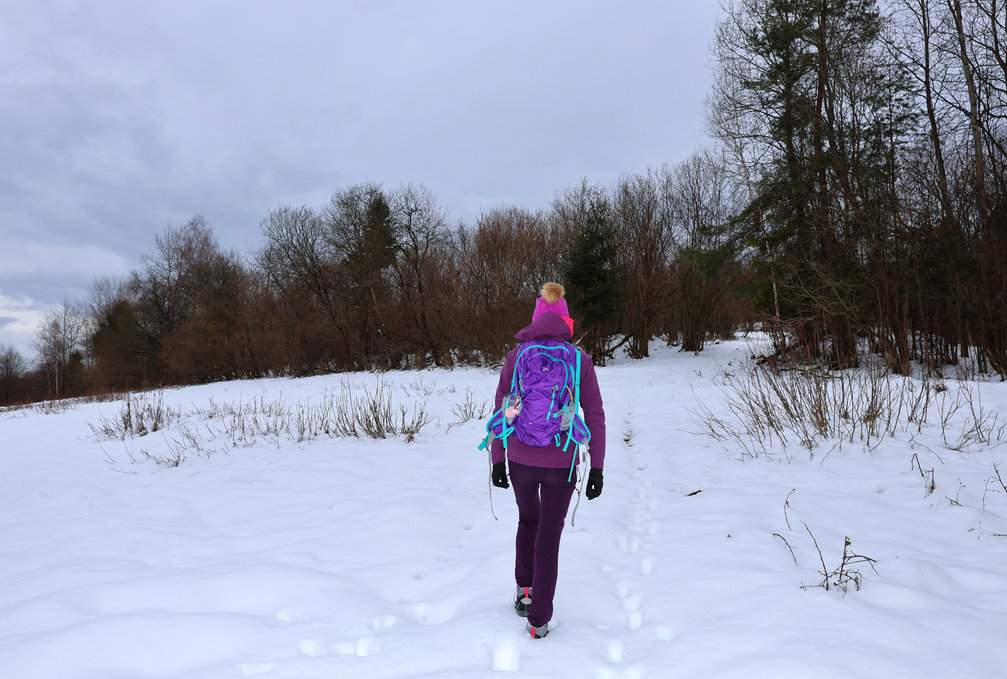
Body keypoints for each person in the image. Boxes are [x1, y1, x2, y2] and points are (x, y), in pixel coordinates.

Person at [489, 282, 606, 639]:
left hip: (521, 457)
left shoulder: (517, 355)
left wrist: (497, 458)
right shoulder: (578, 359)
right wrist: (597, 467)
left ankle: (525, 589)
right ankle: (538, 619)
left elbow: (502, 409)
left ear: (536, 318)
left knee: (528, 520)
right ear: (566, 320)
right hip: (562, 462)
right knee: (549, 537)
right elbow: (596, 414)